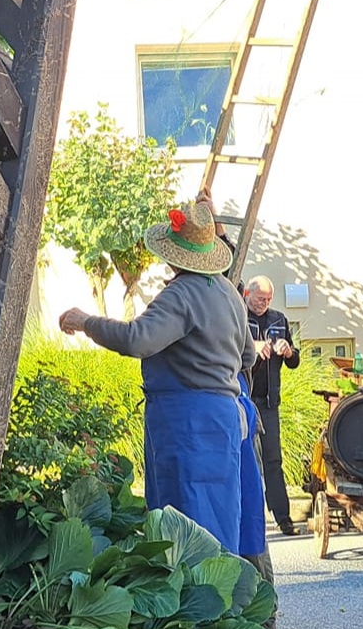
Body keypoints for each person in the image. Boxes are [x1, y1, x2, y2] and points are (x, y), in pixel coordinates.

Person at [58, 194, 257, 554]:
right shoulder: (230, 292)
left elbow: (137, 340)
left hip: (184, 422)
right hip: (223, 418)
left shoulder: (181, 295)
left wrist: (86, 321)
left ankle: (188, 609)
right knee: (219, 517)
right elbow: (248, 356)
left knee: (180, 521)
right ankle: (223, 605)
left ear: (173, 256)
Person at [244, 276, 300, 536]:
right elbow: (228, 350)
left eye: (268, 300)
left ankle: (283, 517)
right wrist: (253, 348)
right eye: (259, 299)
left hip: (269, 401)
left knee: (273, 460)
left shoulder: (279, 319)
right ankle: (247, 516)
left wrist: (288, 351)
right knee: (244, 459)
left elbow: (293, 361)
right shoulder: (237, 316)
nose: (264, 304)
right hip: (243, 399)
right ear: (247, 294)